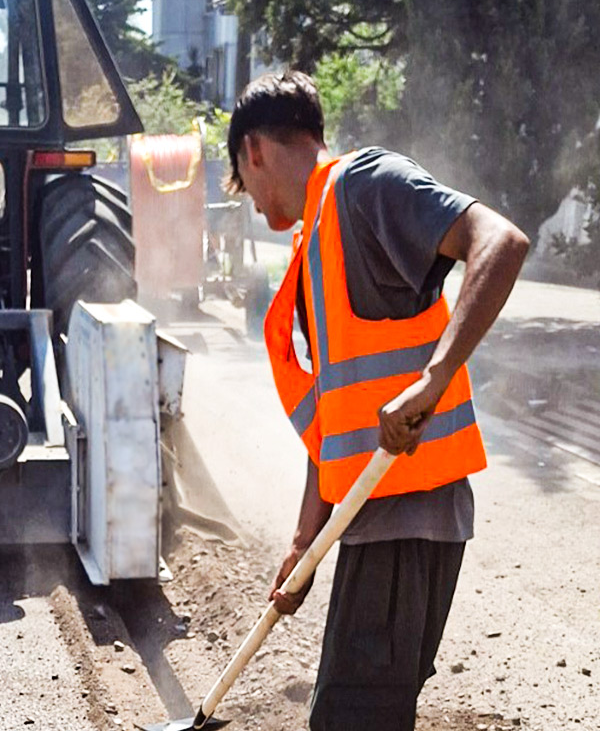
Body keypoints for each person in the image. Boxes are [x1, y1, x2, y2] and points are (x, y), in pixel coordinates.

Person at [226, 70, 529, 730]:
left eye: (240, 180)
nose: (248, 201)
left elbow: (500, 242)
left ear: (253, 151)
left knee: (351, 721)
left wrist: (435, 376)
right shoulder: (318, 241)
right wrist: (304, 544)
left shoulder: (364, 185)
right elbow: (336, 421)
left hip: (406, 519)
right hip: (377, 520)